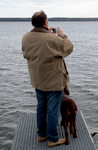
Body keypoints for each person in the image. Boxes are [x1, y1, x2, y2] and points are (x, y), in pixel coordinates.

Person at [22, 11, 73, 147]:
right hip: (53, 82)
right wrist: (61, 34)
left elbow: (27, 54)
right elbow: (68, 47)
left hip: (37, 80)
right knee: (53, 111)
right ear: (45, 23)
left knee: (41, 107)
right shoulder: (53, 39)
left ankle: (42, 135)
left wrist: (47, 34)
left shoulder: (26, 37)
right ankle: (52, 139)